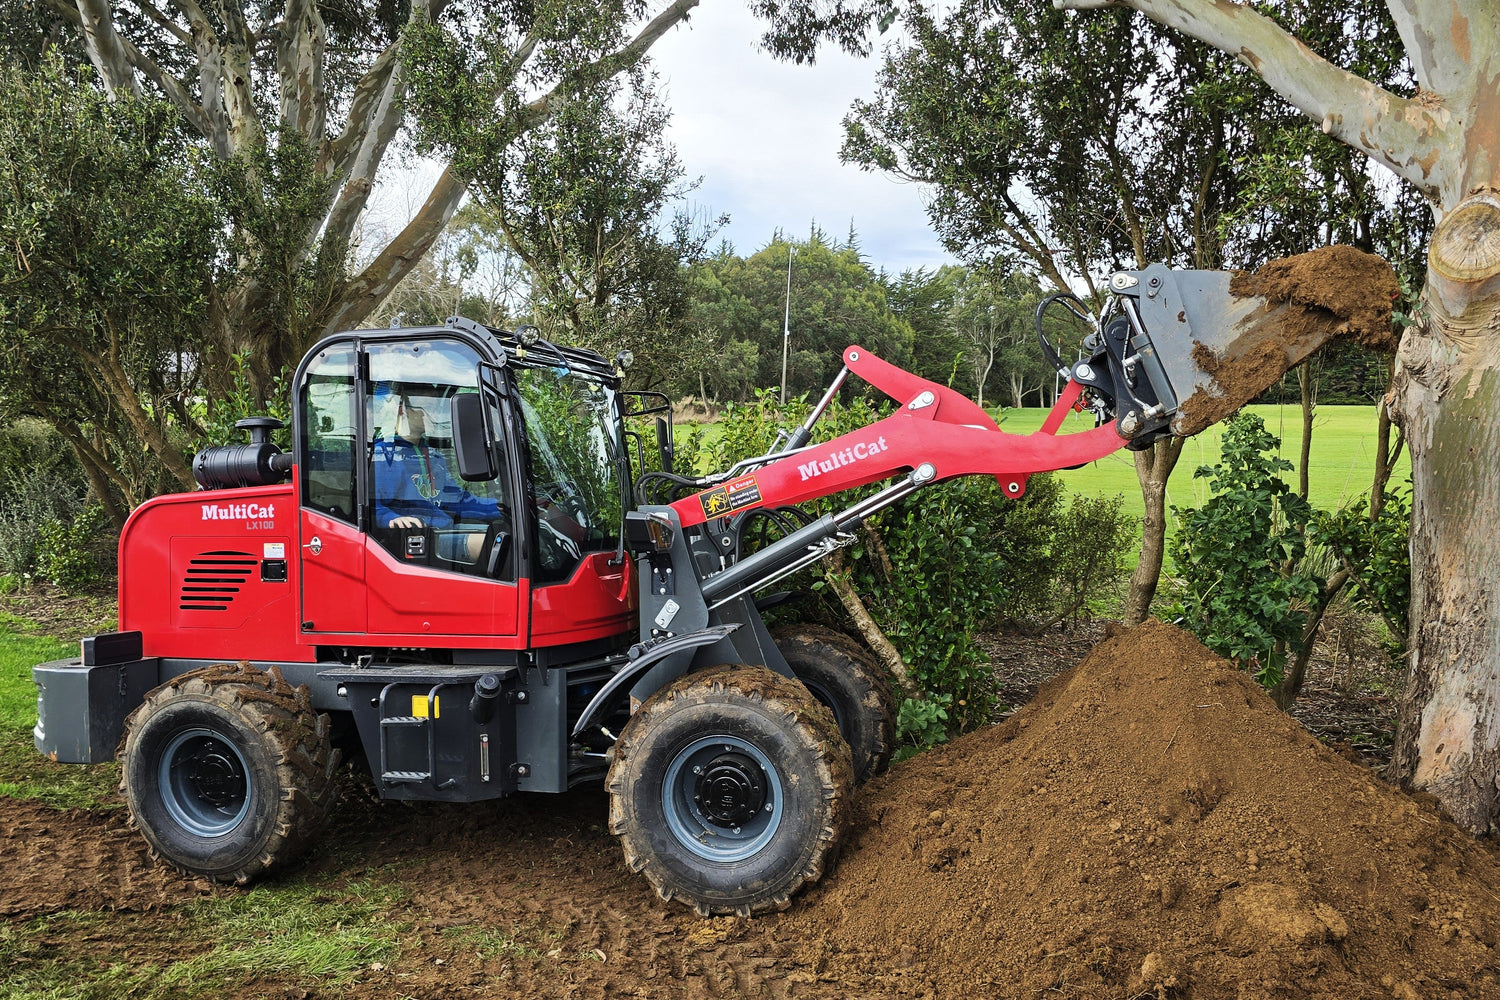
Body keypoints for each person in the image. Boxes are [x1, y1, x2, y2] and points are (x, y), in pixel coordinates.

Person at [372, 397, 505, 564]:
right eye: (426, 407)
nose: (433, 414)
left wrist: (499, 506)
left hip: (443, 528)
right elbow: (370, 507)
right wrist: (390, 518)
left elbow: (456, 501)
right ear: (403, 410)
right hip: (415, 538)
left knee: (505, 532)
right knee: (498, 544)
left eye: (435, 408)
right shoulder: (384, 455)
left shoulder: (433, 455)